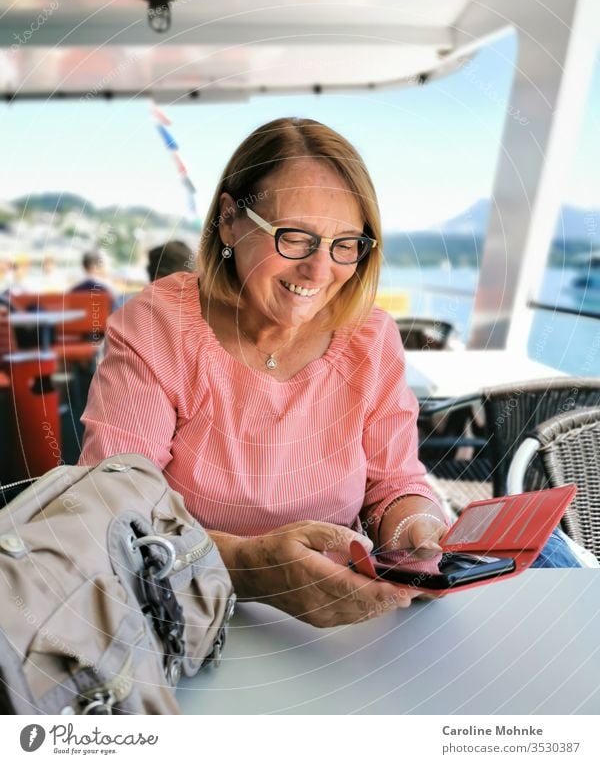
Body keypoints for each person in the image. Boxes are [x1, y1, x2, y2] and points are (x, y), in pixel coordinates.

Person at [78, 118, 579, 629]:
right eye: (294, 238)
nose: (320, 273)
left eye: (346, 244)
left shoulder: (370, 339)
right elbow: (118, 512)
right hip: (183, 615)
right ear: (230, 220)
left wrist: (416, 528)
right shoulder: (157, 327)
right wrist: (252, 567)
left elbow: (393, 483)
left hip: (343, 623)